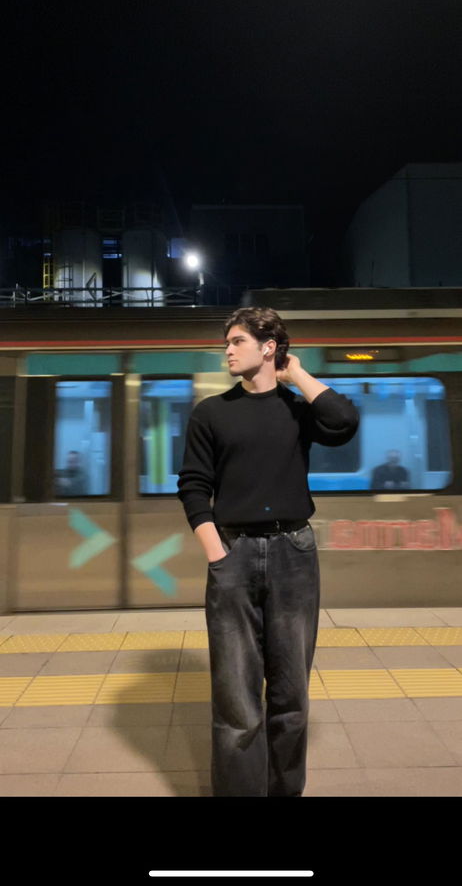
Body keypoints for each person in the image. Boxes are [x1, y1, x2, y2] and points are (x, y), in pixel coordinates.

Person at [177, 306, 359, 797]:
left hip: (293, 551)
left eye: (237, 341)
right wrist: (217, 554)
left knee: (291, 695)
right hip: (233, 551)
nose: (228, 350)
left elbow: (344, 421)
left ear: (268, 347)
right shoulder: (211, 412)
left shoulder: (298, 410)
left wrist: (295, 372)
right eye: (227, 342)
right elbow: (193, 486)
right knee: (236, 699)